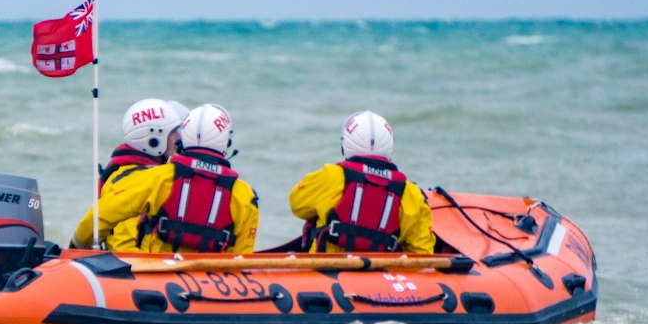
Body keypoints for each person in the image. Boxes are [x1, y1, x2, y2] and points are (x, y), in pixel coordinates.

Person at [74, 103, 259, 255]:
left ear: (185, 138)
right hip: (210, 286)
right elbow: (240, 259)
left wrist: (74, 248)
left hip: (152, 276)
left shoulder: (157, 178)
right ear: (226, 143)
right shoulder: (245, 196)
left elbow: (101, 216)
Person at [288, 110, 434, 255]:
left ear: (345, 145)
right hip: (380, 273)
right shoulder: (411, 193)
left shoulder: (331, 176)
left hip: (326, 269)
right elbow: (422, 251)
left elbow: (297, 204)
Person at [71, 98, 187, 249]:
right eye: (173, 133)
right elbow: (124, 245)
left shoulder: (136, 172)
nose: (179, 138)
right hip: (133, 266)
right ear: (153, 140)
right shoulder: (134, 180)